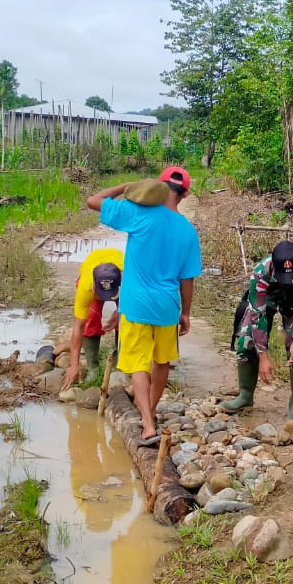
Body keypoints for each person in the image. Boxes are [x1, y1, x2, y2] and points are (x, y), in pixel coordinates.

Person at [87, 166, 202, 447]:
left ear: (157, 187)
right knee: (161, 361)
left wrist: (126, 185)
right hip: (166, 306)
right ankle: (149, 411)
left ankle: (147, 424)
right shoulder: (188, 232)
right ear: (185, 194)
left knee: (138, 363)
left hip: (136, 304)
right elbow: (187, 280)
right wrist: (185, 313)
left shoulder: (137, 214)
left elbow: (93, 200)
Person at [219, 240, 293, 422]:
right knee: (247, 337)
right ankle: (245, 396)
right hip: (267, 299)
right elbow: (257, 316)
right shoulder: (261, 272)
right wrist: (263, 356)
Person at [60, 247, 124, 392]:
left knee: (126, 322)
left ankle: (119, 364)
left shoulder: (129, 280)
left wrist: (120, 312)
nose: (104, 298)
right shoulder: (86, 286)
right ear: (94, 285)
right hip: (92, 269)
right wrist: (74, 365)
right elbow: (79, 326)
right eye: (101, 293)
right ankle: (93, 367)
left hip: (121, 280)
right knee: (90, 320)